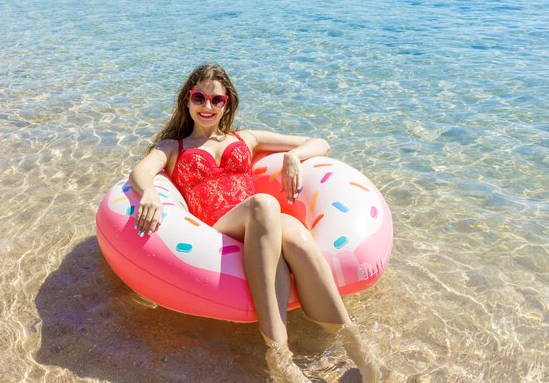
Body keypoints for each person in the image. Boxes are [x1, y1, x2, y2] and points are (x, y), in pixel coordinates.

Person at [129, 64, 380, 382]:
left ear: (227, 104)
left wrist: (293, 157)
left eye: (216, 100)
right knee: (264, 204)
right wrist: (149, 191)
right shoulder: (174, 147)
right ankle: (279, 356)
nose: (208, 106)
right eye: (199, 97)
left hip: (263, 225)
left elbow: (319, 142)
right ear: (187, 100)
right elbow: (141, 170)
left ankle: (359, 351)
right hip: (218, 230)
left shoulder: (245, 138)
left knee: (299, 239)